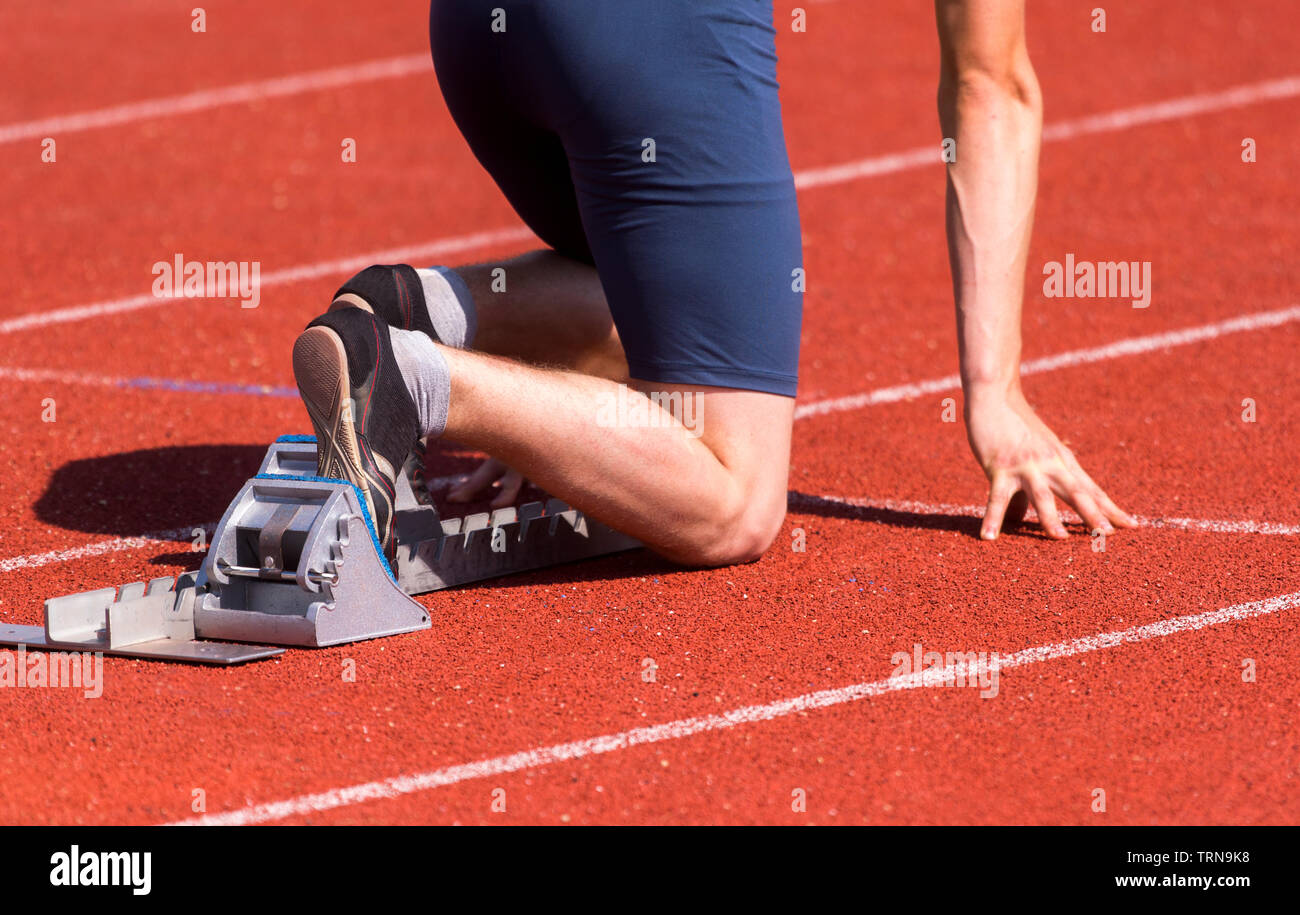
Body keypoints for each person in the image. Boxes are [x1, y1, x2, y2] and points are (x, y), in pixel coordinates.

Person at [292, 0, 1136, 567]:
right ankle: (406, 379)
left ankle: (424, 309)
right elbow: (991, 83)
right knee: (736, 499)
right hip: (645, 42)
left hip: (480, 35)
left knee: (660, 317)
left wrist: (567, 434)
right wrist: (994, 390)